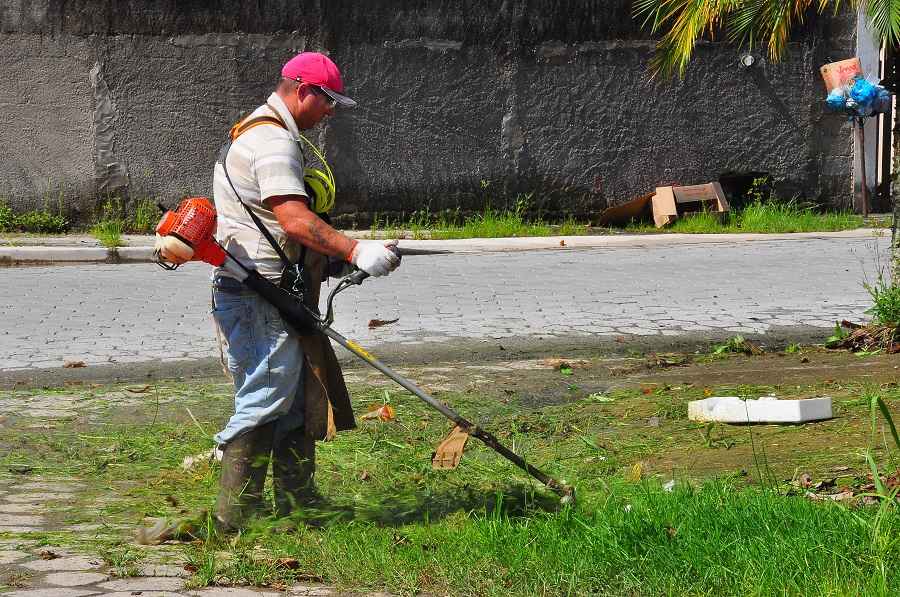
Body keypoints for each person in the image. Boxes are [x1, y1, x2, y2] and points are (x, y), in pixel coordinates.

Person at [210, 52, 400, 530]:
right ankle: (236, 519)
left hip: (274, 290)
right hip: (259, 295)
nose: (330, 112)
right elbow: (293, 220)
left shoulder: (257, 131)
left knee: (294, 396)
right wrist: (356, 251)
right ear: (303, 91)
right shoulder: (273, 142)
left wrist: (333, 256)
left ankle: (298, 504)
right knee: (266, 397)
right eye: (328, 101)